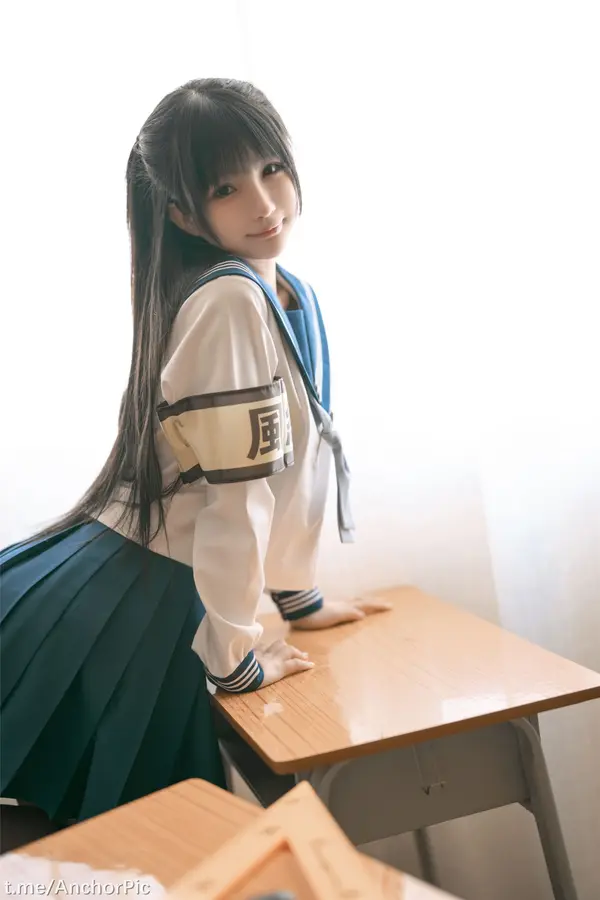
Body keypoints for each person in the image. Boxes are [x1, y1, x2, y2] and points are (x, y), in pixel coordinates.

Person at [0, 78, 390, 829]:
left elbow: (290, 472)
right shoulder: (229, 301)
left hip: (164, 593)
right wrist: (236, 659)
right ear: (182, 213)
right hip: (139, 598)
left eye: (272, 169)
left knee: (129, 842)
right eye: (226, 188)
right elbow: (234, 499)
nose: (264, 202)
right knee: (129, 845)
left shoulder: (288, 292)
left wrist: (297, 597)